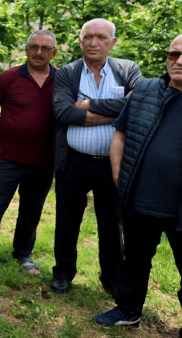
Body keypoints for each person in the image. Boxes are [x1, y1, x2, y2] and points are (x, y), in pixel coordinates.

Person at [94, 31, 182, 338]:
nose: (180, 60)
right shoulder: (145, 91)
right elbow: (120, 134)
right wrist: (119, 176)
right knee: (134, 260)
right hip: (142, 200)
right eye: (174, 54)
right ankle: (128, 310)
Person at [51, 18, 141, 295]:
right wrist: (115, 112)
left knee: (111, 223)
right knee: (67, 219)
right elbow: (64, 113)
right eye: (88, 36)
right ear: (80, 41)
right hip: (74, 161)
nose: (94, 42)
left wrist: (89, 104)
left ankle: (112, 276)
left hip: (113, 164)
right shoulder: (67, 73)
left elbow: (135, 105)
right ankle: (63, 273)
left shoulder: (128, 69)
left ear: (113, 43)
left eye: (102, 37)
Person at [0, 30, 57, 283]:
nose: (39, 52)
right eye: (34, 47)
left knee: (32, 210)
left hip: (43, 161)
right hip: (7, 158)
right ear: (27, 50)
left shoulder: (62, 80)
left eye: (45, 48)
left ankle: (23, 254)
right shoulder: (8, 77)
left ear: (54, 53)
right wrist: (6, 131)